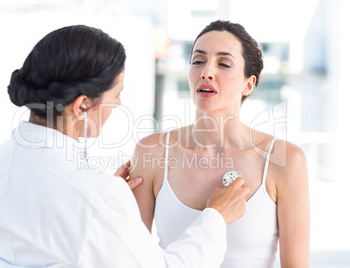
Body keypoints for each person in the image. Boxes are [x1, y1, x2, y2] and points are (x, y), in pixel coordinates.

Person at [0, 24, 250, 267]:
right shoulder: (94, 194)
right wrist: (215, 217)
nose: (118, 103)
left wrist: (103, 204)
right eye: (115, 94)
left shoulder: (0, 161)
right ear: (82, 104)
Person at [131, 20, 310, 268]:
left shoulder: (285, 159)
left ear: (248, 84)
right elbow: (131, 257)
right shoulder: (151, 151)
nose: (206, 72)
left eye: (224, 63)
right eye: (197, 61)